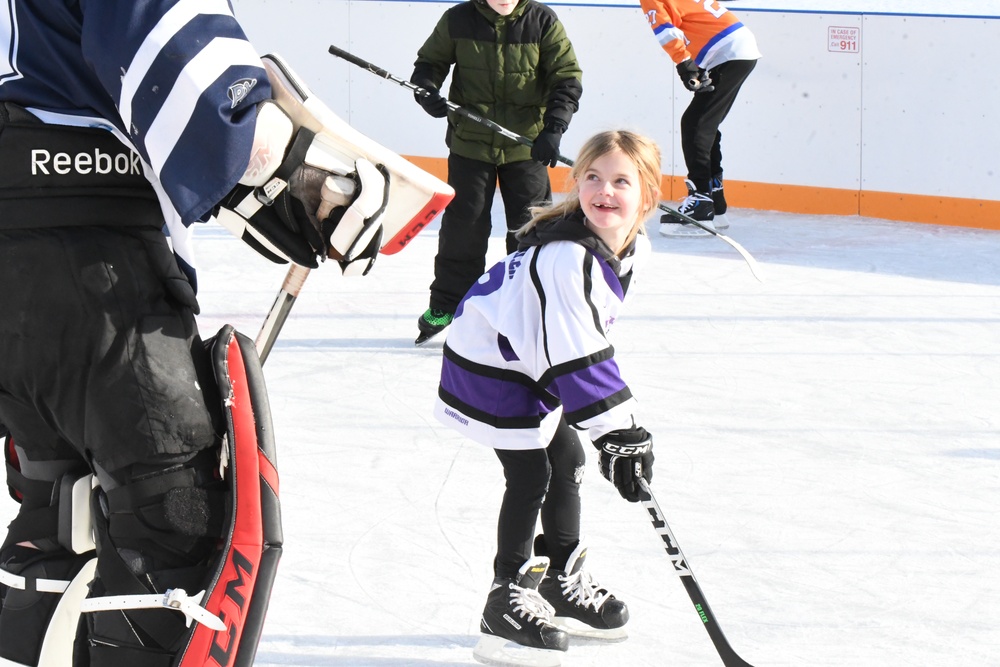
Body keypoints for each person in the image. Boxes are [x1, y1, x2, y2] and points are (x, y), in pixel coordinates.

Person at [0, 3, 396, 666]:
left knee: (59, 518)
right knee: (174, 524)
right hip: (90, 270)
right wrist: (287, 164)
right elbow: (166, 40)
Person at [434, 130, 660, 664]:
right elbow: (573, 347)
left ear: (646, 195)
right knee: (532, 472)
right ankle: (503, 599)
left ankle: (559, 580)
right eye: (593, 178)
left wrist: (614, 428)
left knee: (569, 456)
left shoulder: (631, 246)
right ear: (578, 184)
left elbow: (587, 337)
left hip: (530, 358)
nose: (605, 191)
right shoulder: (566, 259)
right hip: (492, 366)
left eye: (621, 181)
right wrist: (620, 431)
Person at [409, 0, 583, 345]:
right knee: (464, 226)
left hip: (526, 146)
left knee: (531, 226)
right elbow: (429, 64)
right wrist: (427, 90)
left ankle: (528, 307)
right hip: (469, 142)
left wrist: (554, 128)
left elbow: (566, 77)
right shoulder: (458, 19)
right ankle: (448, 304)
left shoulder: (542, 20)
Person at [639, 0, 761, 236]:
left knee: (695, 124)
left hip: (727, 49)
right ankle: (715, 204)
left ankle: (701, 202)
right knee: (705, 124)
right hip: (732, 46)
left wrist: (684, 64)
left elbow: (665, 30)